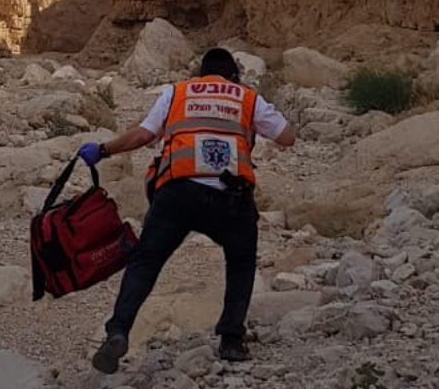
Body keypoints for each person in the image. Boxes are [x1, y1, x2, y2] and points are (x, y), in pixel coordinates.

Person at [77, 47, 296, 372]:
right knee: (240, 260)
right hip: (230, 197)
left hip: (177, 192)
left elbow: (143, 134)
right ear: (233, 75)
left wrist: (103, 150)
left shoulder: (178, 92)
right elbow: (287, 137)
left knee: (145, 262)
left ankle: (118, 330)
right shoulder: (246, 98)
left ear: (200, 75)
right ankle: (232, 340)